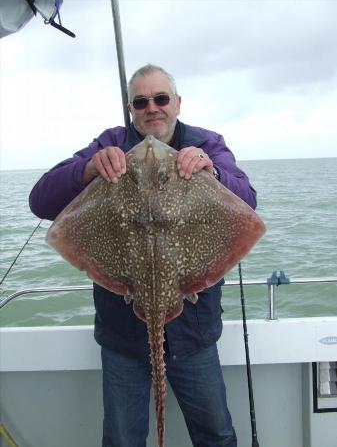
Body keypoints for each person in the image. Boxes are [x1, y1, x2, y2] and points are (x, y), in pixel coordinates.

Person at [29, 64, 257, 447]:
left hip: (194, 330)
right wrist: (87, 170)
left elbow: (248, 202)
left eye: (161, 98)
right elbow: (41, 200)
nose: (152, 108)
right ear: (131, 108)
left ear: (177, 104)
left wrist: (212, 172)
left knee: (217, 434)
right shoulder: (110, 144)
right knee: (122, 439)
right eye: (141, 101)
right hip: (123, 333)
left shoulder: (206, 143)